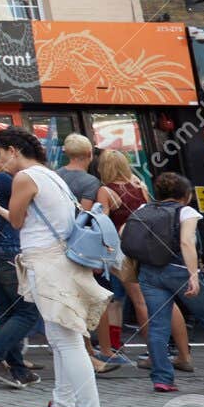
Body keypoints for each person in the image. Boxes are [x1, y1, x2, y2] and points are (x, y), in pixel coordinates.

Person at [0, 127, 113, 407]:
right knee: (61, 340)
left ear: (13, 150)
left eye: (0, 155)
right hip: (62, 261)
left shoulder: (24, 178)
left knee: (67, 341)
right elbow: (36, 219)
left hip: (48, 265)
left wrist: (2, 209)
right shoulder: (50, 175)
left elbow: (17, 222)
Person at [130, 172, 204, 393]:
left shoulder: (144, 210)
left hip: (149, 273)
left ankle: (162, 378)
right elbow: (186, 242)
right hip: (180, 271)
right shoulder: (186, 211)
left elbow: (128, 234)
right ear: (186, 194)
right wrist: (193, 274)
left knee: (158, 326)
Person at [0, 139, 40, 389]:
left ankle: (18, 370)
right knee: (27, 311)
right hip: (12, 250)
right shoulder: (7, 181)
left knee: (5, 311)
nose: (6, 160)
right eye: (2, 155)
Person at [91, 149, 148, 370]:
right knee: (141, 299)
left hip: (119, 251)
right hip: (142, 246)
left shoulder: (106, 191)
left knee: (123, 298)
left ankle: (120, 346)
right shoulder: (140, 186)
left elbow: (103, 224)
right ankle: (155, 347)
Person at [56, 134, 105, 211]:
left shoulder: (55, 175)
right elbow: (83, 215)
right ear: (89, 154)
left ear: (67, 154)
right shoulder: (91, 182)